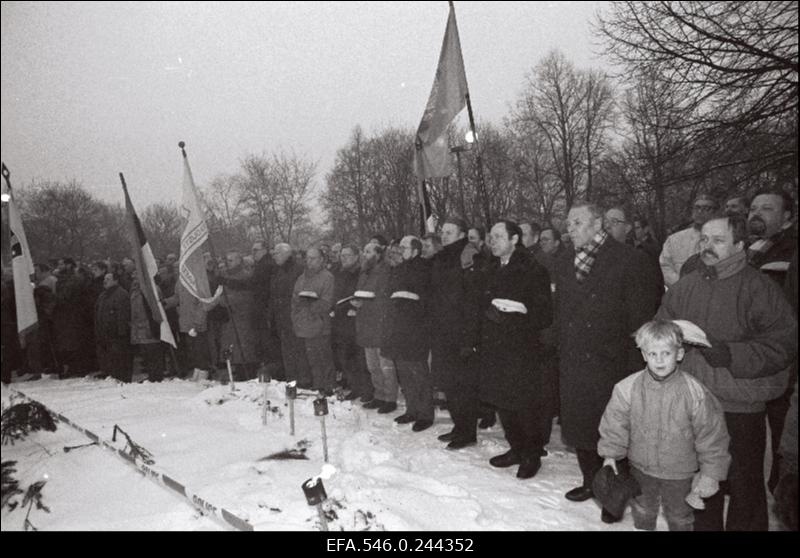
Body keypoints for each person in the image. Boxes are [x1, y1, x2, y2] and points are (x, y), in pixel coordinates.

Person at [655, 215, 797, 531]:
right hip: (692, 405)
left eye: (718, 240)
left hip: (739, 408)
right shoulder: (685, 286)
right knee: (700, 491)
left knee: (745, 493)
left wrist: (731, 354)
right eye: (704, 239)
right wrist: (662, 342)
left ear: (739, 245)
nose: (708, 246)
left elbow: (783, 346)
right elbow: (660, 324)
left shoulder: (759, 287)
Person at [556, 201, 660, 523]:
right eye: (569, 223)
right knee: (582, 429)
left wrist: (630, 369)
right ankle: (591, 482)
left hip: (611, 363)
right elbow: (562, 311)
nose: (569, 229)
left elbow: (640, 319)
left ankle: (615, 496)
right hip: (575, 360)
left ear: (597, 223)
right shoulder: (565, 262)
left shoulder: (630, 260)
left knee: (613, 433)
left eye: (577, 223)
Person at [598, 319, 731, 530]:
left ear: (679, 354)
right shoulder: (627, 388)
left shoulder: (695, 392)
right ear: (643, 355)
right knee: (642, 510)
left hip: (680, 473)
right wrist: (610, 455)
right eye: (652, 354)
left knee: (680, 517)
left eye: (666, 353)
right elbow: (615, 424)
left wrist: (711, 473)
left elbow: (712, 436)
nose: (659, 360)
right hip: (641, 469)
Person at [479, 220, 553, 479]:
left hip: (522, 348)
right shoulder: (490, 268)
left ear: (514, 240)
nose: (493, 241)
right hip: (494, 347)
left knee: (524, 404)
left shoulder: (533, 270)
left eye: (499, 237)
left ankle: (531, 455)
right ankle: (516, 448)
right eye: (491, 237)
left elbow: (544, 313)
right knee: (503, 402)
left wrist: (514, 320)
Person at [746, 188, 797, 494]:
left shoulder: (791, 250)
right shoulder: (755, 248)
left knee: (783, 431)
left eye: (766, 208)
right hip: (755, 355)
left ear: (788, 216)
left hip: (784, 358)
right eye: (753, 208)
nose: (756, 214)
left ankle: (783, 494)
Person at [429, 218, 484, 449]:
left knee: (463, 386)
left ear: (462, 235)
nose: (444, 235)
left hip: (460, 333)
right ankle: (458, 425)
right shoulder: (441, 257)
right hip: (442, 331)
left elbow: (473, 300)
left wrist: (469, 338)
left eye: (450, 232)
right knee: (449, 384)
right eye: (443, 232)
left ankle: (467, 431)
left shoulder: (469, 256)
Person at [384, 235, 434, 432]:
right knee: (403, 371)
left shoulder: (425, 268)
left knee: (418, 372)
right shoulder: (398, 268)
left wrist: (411, 300)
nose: (400, 251)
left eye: (404, 248)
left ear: (415, 250)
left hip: (416, 328)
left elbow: (428, 297)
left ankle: (425, 414)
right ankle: (412, 409)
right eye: (400, 247)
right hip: (399, 327)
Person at [354, 241, 397, 413]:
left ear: (378, 254)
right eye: (364, 251)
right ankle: (379, 395)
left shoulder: (385, 271)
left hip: (380, 323)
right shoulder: (364, 272)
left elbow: (384, 298)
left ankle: (390, 397)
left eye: (369, 251)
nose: (365, 254)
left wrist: (366, 301)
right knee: (372, 365)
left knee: (385, 364)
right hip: (365, 322)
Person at [291, 247, 336, 395]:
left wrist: (312, 305)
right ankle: (318, 383)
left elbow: (327, 301)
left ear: (321, 259)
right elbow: (295, 298)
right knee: (312, 358)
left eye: (313, 258)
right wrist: (297, 316)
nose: (309, 262)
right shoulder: (301, 278)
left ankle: (329, 385)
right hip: (305, 324)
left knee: (324, 356)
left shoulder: (327, 277)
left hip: (320, 323)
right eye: (308, 258)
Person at [269, 243, 311, 387]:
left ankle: (304, 381)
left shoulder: (298, 270)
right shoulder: (278, 271)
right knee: (287, 351)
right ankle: (292, 380)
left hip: (295, 317)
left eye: (277, 253)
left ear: (286, 253)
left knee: (299, 351)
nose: (274, 256)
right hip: (282, 318)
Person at [332, 245, 370, 401]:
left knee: (359, 358)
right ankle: (355, 387)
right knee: (345, 357)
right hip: (340, 319)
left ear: (356, 257)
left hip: (355, 318)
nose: (343, 258)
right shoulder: (339, 274)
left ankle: (366, 390)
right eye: (342, 256)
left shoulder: (361, 273)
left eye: (347, 255)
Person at [659, 194, 718, 287]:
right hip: (680, 292)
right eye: (697, 207)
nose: (700, 211)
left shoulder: (723, 240)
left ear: (715, 213)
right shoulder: (674, 239)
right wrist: (682, 286)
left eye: (706, 208)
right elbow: (665, 266)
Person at [218, 251, 259, 380]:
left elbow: (245, 297)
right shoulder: (225, 276)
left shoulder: (245, 275)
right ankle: (236, 372)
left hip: (242, 316)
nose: (228, 263)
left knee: (244, 349)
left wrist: (225, 300)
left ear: (239, 260)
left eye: (231, 260)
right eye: (227, 260)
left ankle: (247, 374)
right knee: (233, 348)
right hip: (230, 318)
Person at [94, 272, 131, 382]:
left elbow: (123, 314)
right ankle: (111, 374)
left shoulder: (121, 294)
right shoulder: (103, 295)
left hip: (116, 333)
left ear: (116, 281)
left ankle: (121, 376)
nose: (105, 281)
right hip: (104, 332)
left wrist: (121, 331)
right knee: (108, 356)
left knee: (118, 356)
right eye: (105, 278)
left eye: (108, 279)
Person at [129, 278, 164, 382]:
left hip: (150, 326)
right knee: (146, 353)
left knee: (153, 351)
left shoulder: (152, 289)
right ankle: (151, 374)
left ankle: (156, 376)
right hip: (139, 327)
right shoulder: (135, 291)